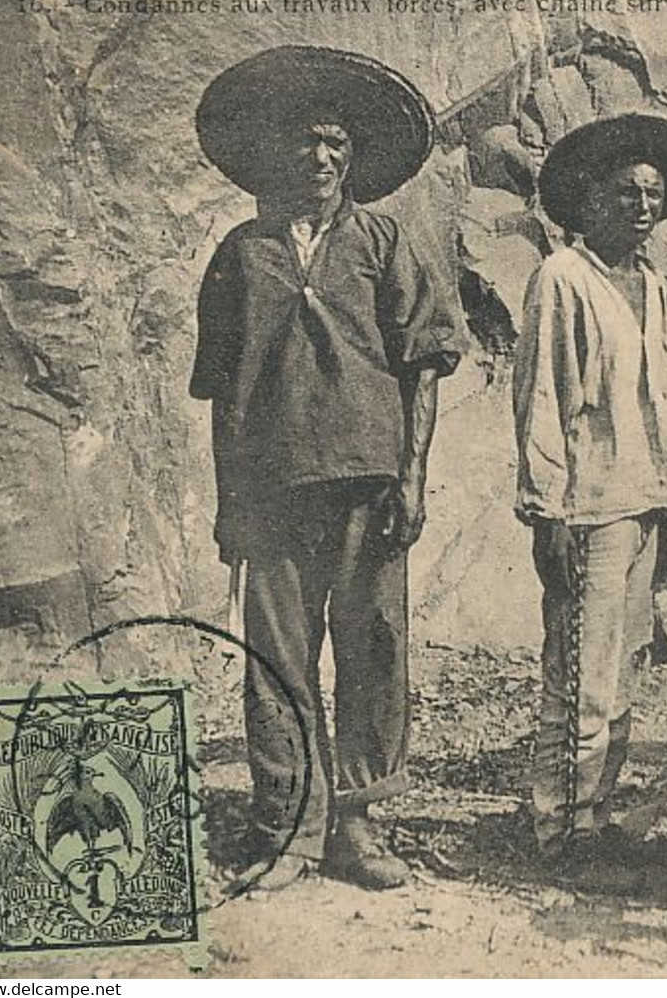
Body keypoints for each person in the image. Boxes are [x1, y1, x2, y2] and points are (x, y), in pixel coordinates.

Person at [190, 46, 465, 891]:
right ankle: (289, 830)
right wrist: (230, 502)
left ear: (352, 158)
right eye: (305, 143)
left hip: (367, 482)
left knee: (373, 647)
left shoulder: (384, 240)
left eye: (335, 144)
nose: (319, 158)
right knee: (276, 658)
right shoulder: (241, 254)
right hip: (272, 491)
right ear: (275, 154)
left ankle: (356, 824)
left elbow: (423, 364)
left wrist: (411, 478)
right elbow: (222, 390)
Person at [512, 112, 667, 880]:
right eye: (626, 191)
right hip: (586, 509)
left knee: (622, 670)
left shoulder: (655, 288)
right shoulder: (563, 280)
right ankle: (562, 834)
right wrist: (548, 512)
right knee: (578, 673)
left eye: (653, 194)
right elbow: (542, 400)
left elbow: (662, 404)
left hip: (641, 505)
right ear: (590, 200)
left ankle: (596, 815)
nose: (640, 206)